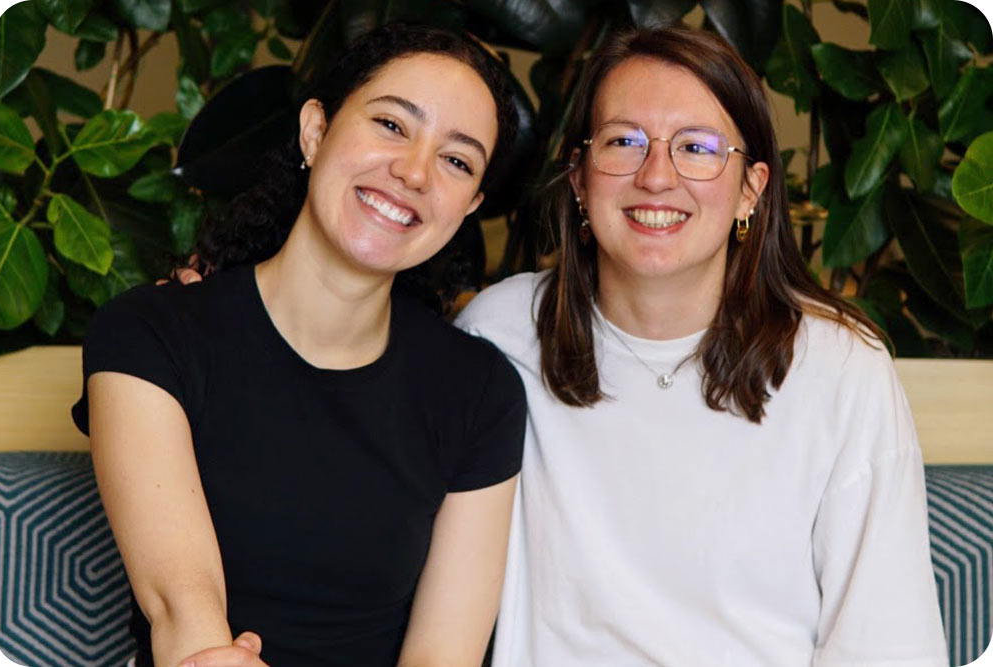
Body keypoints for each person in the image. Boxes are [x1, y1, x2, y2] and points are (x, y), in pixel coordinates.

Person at [455, 26, 948, 666]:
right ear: (579, 180)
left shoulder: (840, 369)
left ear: (751, 188)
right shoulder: (499, 336)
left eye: (697, 147)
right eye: (624, 141)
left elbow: (889, 647)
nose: (656, 176)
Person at [72, 23, 524, 667]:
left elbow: (441, 656)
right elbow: (184, 612)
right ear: (315, 131)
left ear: (468, 205)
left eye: (456, 160)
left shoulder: (480, 392)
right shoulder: (151, 333)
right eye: (392, 125)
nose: (414, 171)